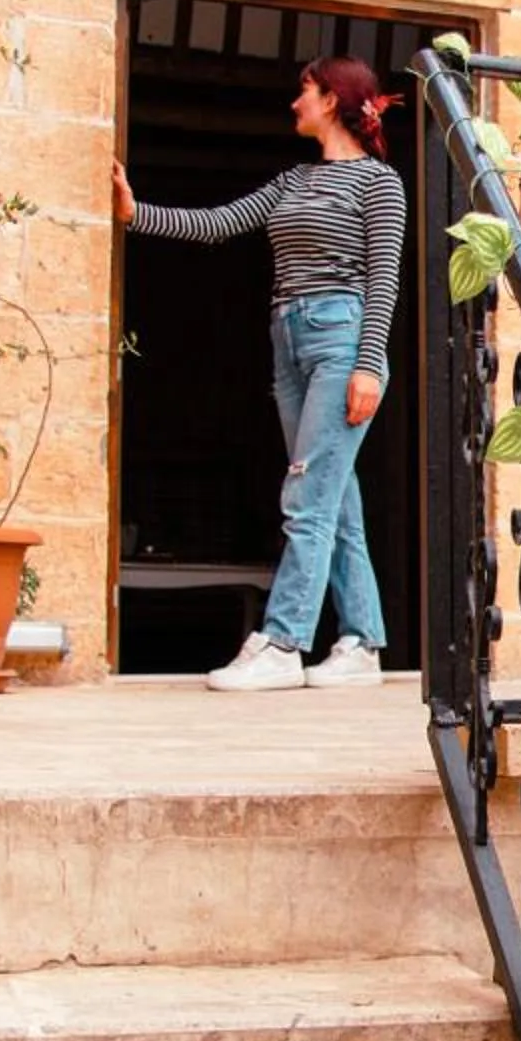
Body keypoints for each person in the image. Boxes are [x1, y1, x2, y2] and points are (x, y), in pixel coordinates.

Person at [111, 56, 403, 692]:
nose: (294, 101)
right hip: (288, 342)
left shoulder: (380, 184)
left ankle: (284, 640)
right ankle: (361, 642)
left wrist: (370, 365)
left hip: (341, 338)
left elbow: (384, 279)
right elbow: (219, 224)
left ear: (331, 99)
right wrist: (138, 214)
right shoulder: (292, 181)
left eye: (304, 91)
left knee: (306, 492)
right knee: (333, 494)